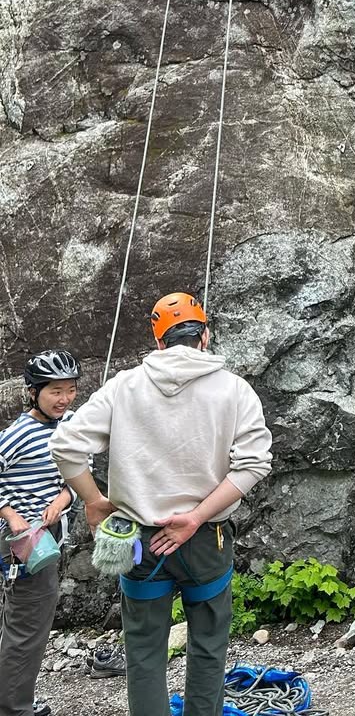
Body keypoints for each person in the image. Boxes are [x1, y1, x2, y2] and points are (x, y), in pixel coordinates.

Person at [50, 292, 273, 716]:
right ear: (204, 336)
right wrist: (195, 517)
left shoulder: (124, 386)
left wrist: (94, 501)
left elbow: (66, 446)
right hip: (205, 539)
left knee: (144, 653)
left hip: (136, 541)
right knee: (207, 647)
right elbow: (253, 464)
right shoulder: (234, 390)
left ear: (159, 342)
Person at [0, 350, 81, 716]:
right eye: (55, 391)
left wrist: (64, 496)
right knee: (29, 625)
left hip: (49, 535)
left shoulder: (72, 424)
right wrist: (11, 515)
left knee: (21, 621)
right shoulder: (18, 433)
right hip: (21, 541)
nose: (64, 398)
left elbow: (80, 471)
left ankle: (14, 700)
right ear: (33, 392)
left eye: (70, 389)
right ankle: (15, 708)